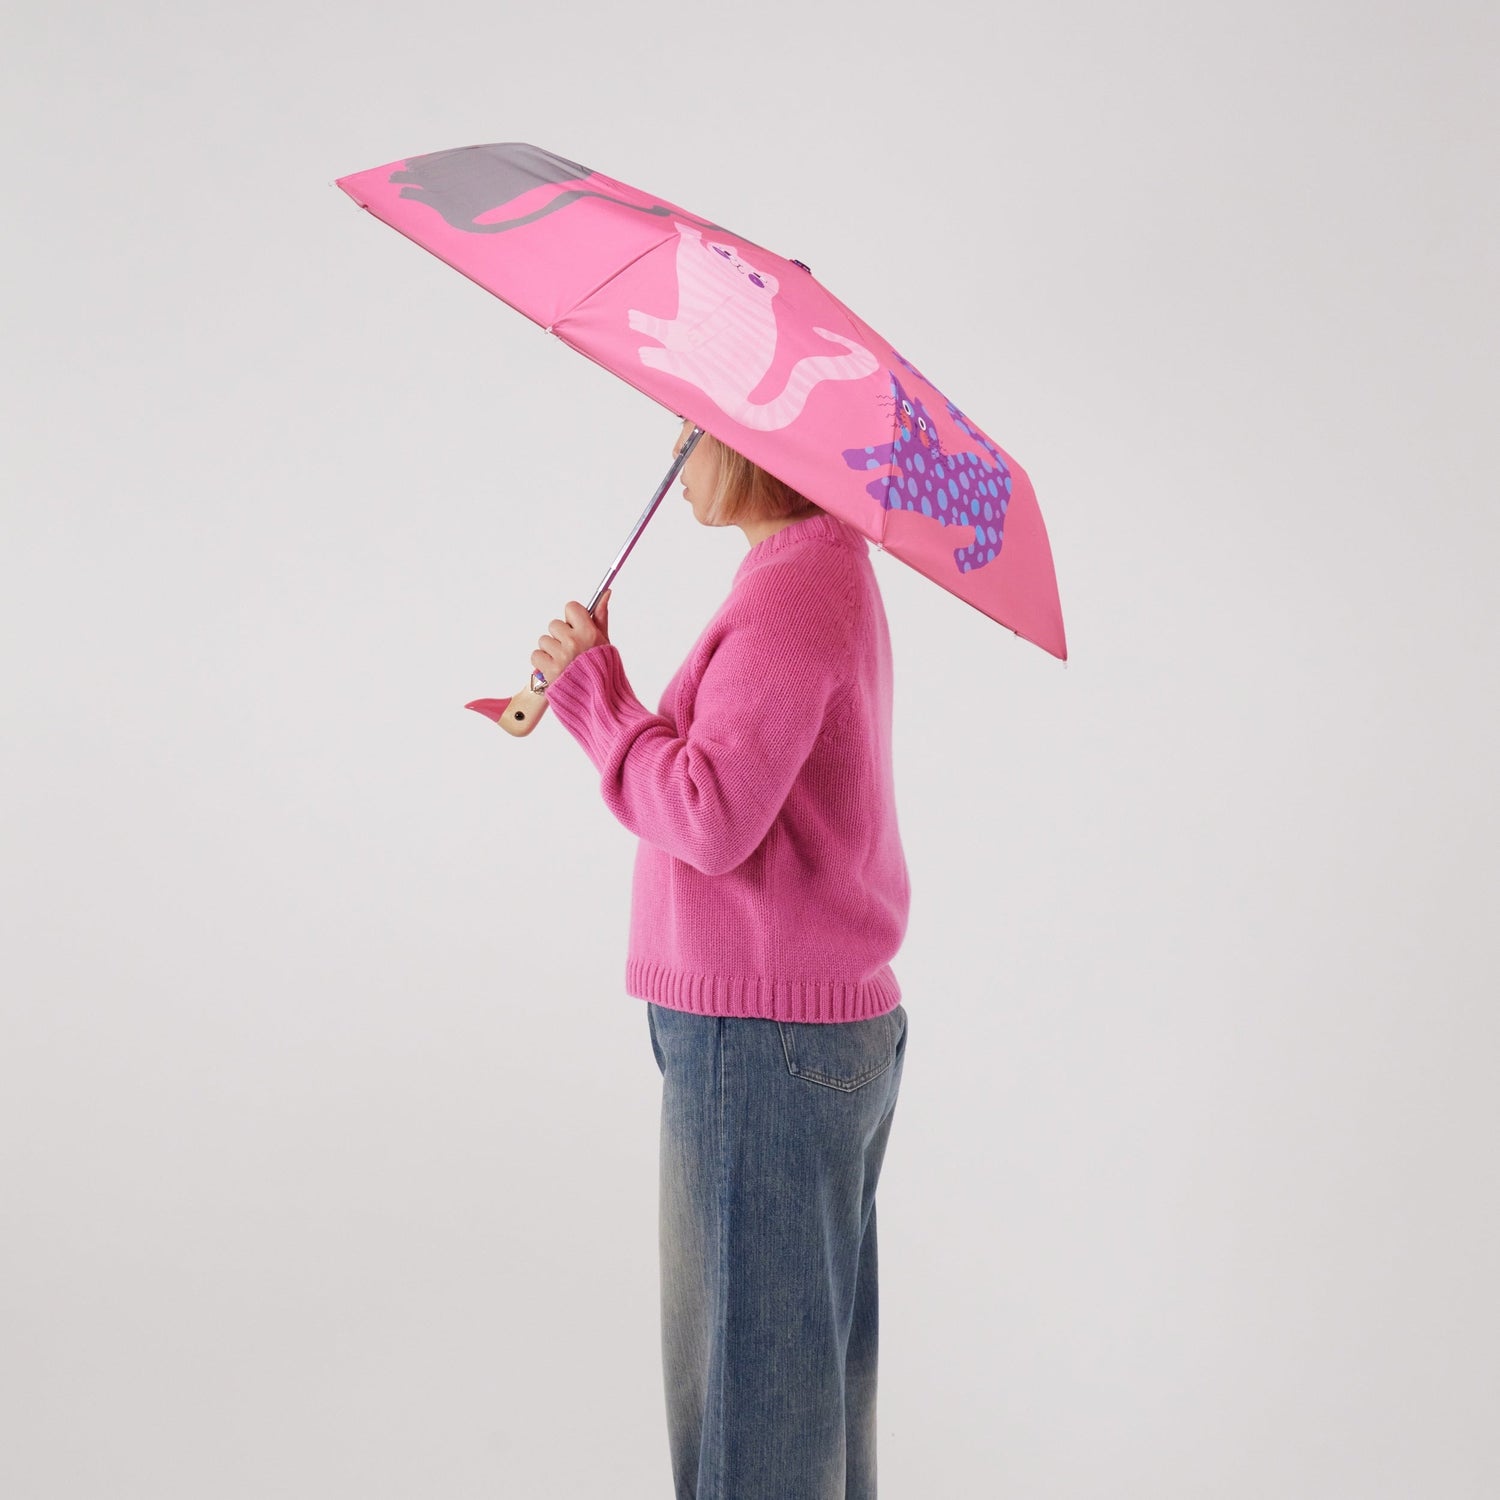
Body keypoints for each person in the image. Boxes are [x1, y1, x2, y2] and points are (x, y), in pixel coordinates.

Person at [530, 416, 911, 1500]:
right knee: (802, 1396)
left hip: (764, 1045)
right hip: (806, 1032)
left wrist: (602, 702)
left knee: (753, 1418)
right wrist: (603, 692)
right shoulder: (818, 570)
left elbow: (707, 813)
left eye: (691, 433)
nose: (673, 455)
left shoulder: (792, 595)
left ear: (758, 444)